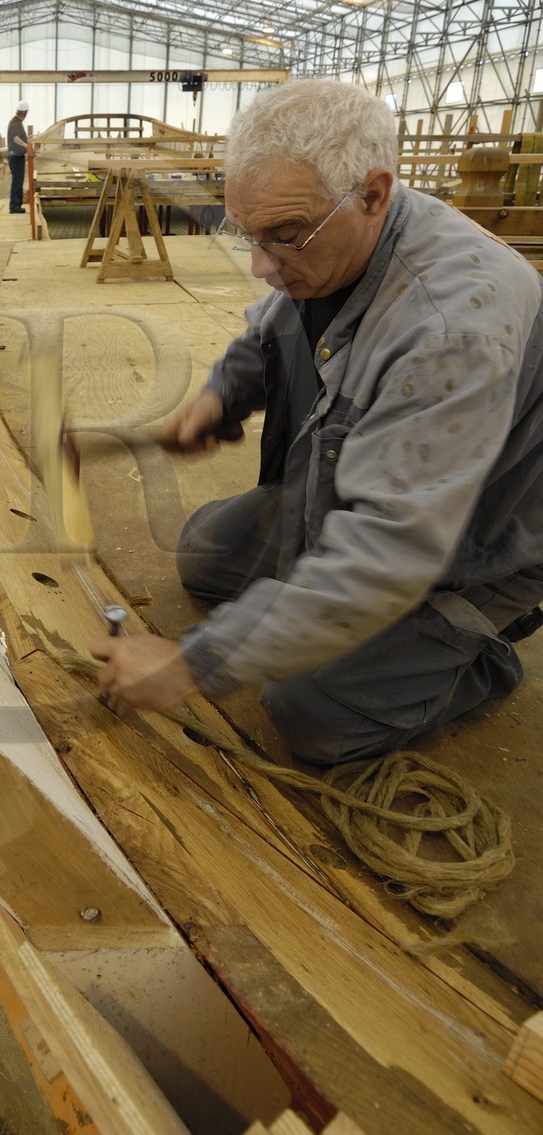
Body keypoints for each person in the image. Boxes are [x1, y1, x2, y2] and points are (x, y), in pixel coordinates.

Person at [90, 78, 543, 763]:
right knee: (204, 554)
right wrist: (221, 397)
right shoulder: (331, 239)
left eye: (282, 237)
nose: (261, 265)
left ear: (374, 194)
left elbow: (390, 549)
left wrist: (192, 664)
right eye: (247, 235)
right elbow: (270, 330)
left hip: (468, 547)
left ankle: (480, 650)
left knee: (311, 713)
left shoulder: (451, 331)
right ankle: (336, 597)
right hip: (369, 493)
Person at [6, 102, 29, 214]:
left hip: (14, 155)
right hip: (16, 156)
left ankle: (16, 205)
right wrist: (26, 145)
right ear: (24, 113)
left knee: (17, 181)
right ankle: (15, 206)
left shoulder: (14, 122)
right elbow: (15, 137)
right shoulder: (16, 123)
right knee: (17, 182)